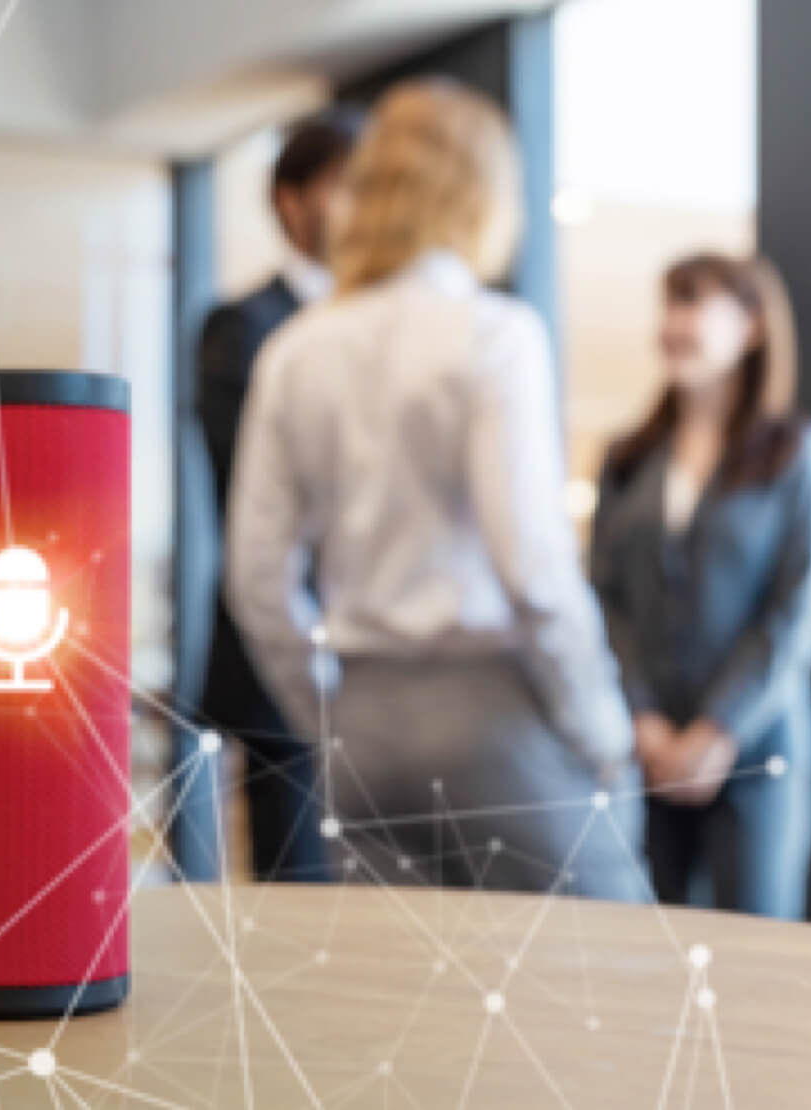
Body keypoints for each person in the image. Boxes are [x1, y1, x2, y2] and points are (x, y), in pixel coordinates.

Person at [227, 78, 645, 900]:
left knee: (415, 1012)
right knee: (616, 982)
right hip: (489, 719)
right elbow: (533, 568)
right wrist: (602, 729)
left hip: (365, 732)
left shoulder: (295, 351)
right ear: (479, 193)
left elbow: (255, 579)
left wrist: (329, 719)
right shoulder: (494, 335)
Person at [589, 253, 811, 919]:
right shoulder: (630, 457)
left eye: (692, 302)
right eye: (667, 303)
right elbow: (605, 599)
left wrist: (716, 731)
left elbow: (797, 613)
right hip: (644, 751)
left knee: (757, 956)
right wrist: (643, 717)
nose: (673, 323)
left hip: (757, 751)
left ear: (753, 327)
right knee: (655, 957)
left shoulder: (800, 452)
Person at [196, 110, 359, 882]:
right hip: (279, 659)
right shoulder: (243, 327)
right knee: (296, 900)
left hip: (382, 664)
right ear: (292, 200)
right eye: (345, 185)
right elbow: (255, 496)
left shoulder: (381, 329)